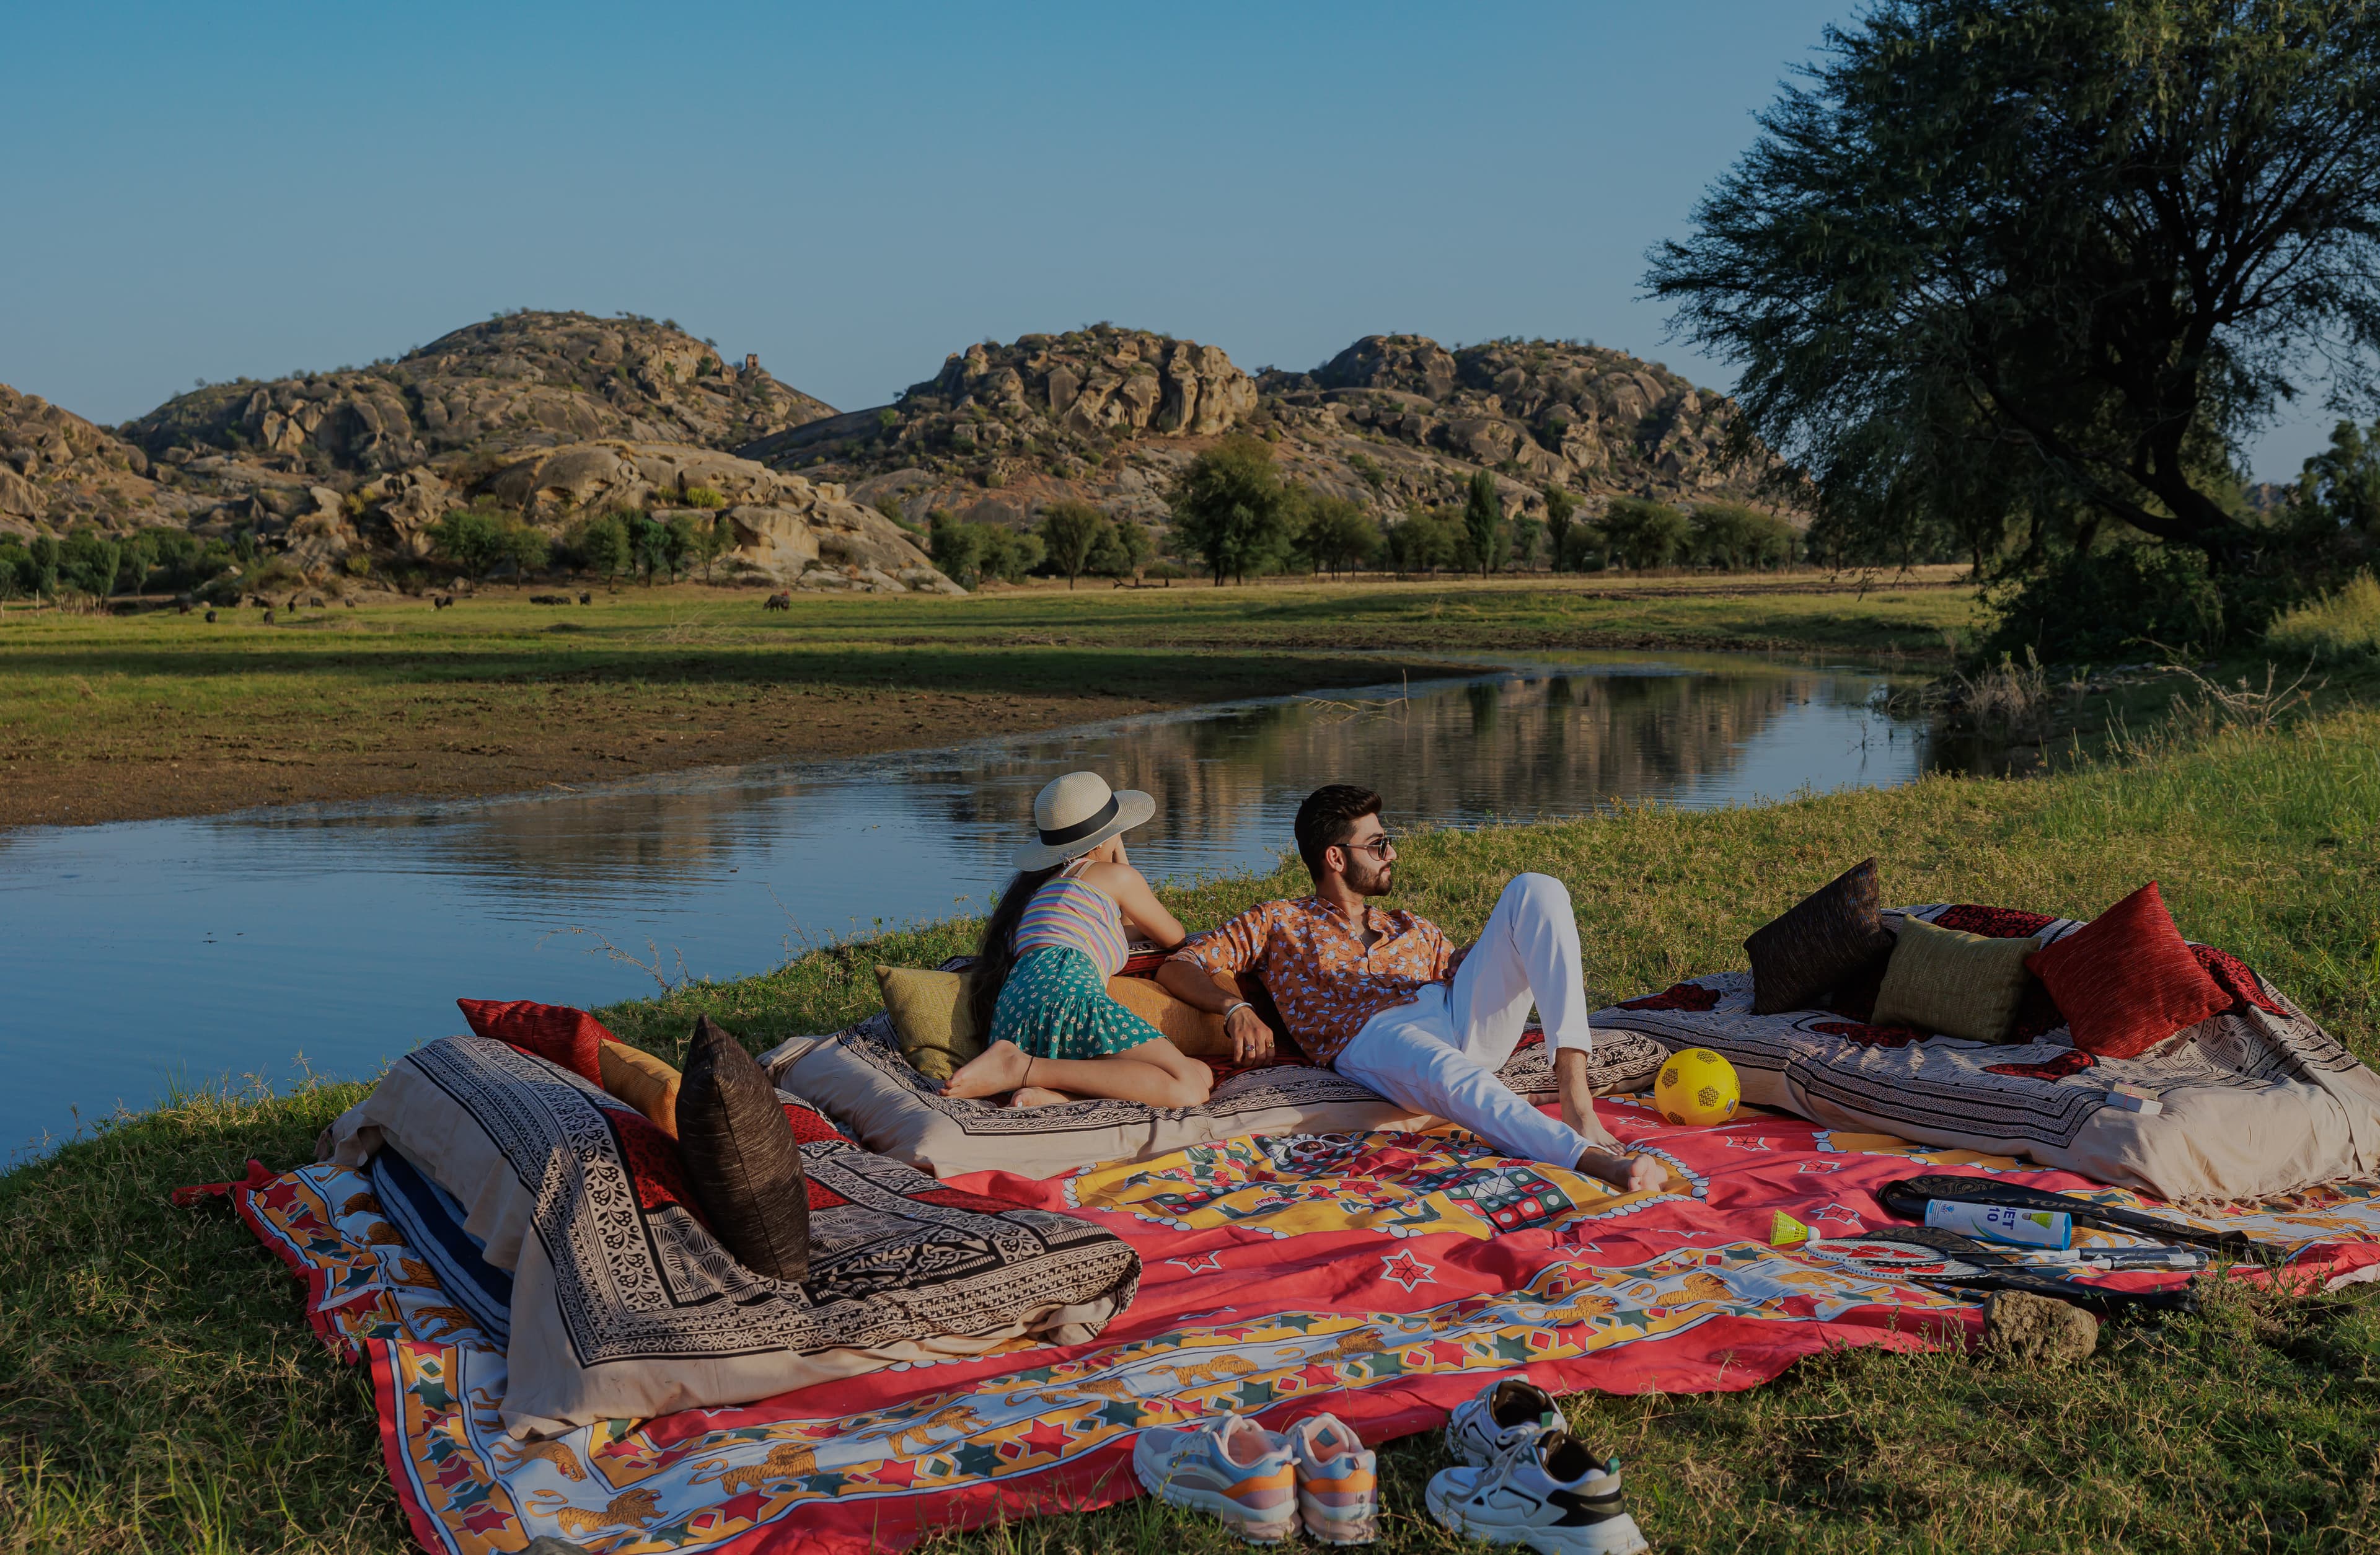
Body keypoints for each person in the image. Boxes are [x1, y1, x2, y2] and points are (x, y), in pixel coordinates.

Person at [1157, 783, 1661, 1193]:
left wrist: (1504, 944)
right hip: (1370, 1034)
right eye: (1378, 845)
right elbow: (1180, 965)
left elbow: (1461, 968)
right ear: (1335, 857)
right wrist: (1235, 1007)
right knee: (1449, 1072)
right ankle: (1590, 1158)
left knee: (1536, 888)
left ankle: (1576, 1098)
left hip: (1453, 1011)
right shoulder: (1278, 921)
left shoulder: (1405, 923)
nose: (1391, 853)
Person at [943, 771, 1212, 1109]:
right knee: (1189, 1088)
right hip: (1067, 999)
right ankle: (1021, 1069)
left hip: (1013, 1019)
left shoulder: (1041, 892)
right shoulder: (1116, 878)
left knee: (1200, 1072)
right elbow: (1173, 936)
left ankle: (1055, 1094)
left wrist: (1114, 853)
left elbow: (1126, 929)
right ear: (1104, 839)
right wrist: (1123, 861)